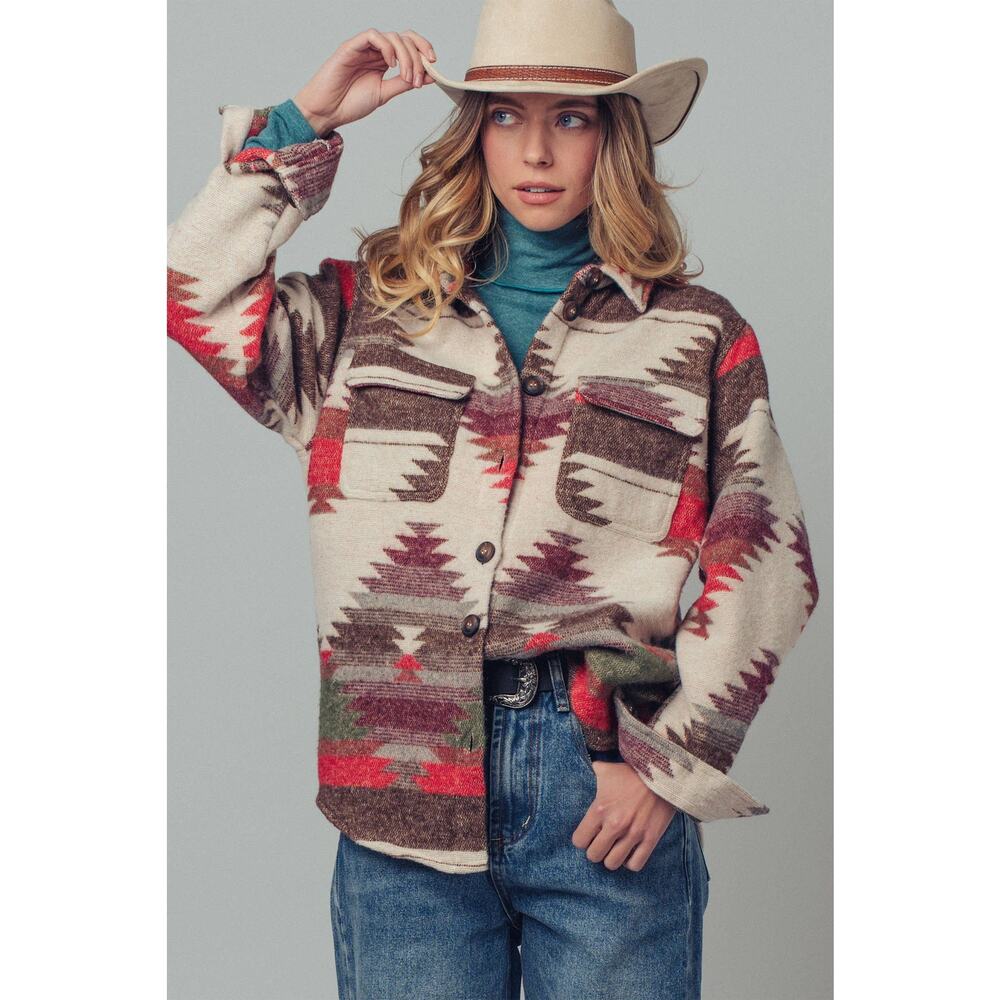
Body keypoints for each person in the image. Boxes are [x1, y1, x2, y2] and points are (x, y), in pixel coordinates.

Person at [167, 1, 819, 996]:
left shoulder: (698, 339)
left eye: (571, 118)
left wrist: (671, 761)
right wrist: (304, 121)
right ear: (473, 134)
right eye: (506, 116)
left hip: (600, 785)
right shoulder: (366, 315)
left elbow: (769, 562)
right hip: (398, 778)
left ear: (616, 139)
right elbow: (193, 287)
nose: (536, 150)